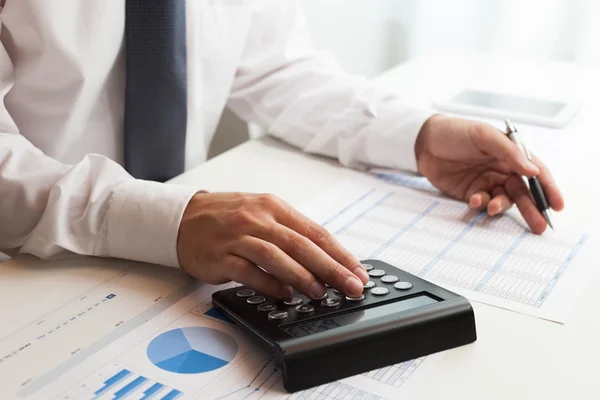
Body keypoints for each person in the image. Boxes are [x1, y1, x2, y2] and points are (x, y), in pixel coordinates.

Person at [0, 1, 563, 300]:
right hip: (29, 270)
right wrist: (167, 220)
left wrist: (418, 138)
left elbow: (277, 68)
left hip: (178, 277)